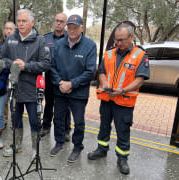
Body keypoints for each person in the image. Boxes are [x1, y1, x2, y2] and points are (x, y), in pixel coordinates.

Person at [87, 23, 150, 175]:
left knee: (123, 130)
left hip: (124, 100)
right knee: (104, 126)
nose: (119, 43)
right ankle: (101, 149)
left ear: (132, 37)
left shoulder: (140, 55)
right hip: (107, 99)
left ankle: (122, 158)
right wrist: (105, 83)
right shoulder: (109, 53)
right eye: (117, 40)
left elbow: (140, 79)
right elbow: (101, 72)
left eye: (122, 40)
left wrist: (122, 90)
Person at [0, 9, 51, 158]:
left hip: (32, 89)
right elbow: (1, 58)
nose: (20, 24)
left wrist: (25, 66)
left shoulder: (40, 40)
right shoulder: (10, 39)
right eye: (19, 21)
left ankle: (35, 149)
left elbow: (46, 64)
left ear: (32, 22)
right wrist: (13, 64)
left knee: (35, 121)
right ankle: (17, 145)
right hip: (15, 87)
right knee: (16, 118)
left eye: (24, 21)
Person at [50, 14, 97, 163]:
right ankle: (59, 142)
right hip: (60, 90)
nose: (71, 30)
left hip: (78, 93)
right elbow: (51, 67)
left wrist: (72, 84)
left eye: (75, 27)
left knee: (79, 122)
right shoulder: (58, 45)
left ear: (81, 28)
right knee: (58, 118)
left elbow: (90, 72)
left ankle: (77, 146)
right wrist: (60, 83)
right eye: (69, 27)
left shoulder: (90, 45)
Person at [42, 13, 72, 140]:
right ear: (54, 22)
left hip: (64, 77)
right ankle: (46, 126)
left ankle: (66, 130)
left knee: (65, 105)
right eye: (57, 20)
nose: (59, 23)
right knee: (49, 103)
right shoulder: (45, 38)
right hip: (49, 77)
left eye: (62, 21)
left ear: (65, 24)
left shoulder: (70, 39)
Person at [0, 22, 16, 129]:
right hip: (3, 75)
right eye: (6, 28)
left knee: (14, 100)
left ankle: (14, 121)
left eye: (11, 29)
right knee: (3, 99)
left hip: (14, 75)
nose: (8, 31)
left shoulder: (18, 43)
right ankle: (4, 120)